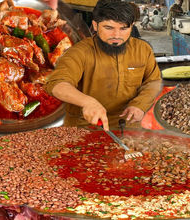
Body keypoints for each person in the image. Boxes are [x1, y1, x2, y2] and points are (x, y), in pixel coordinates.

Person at [45, 0, 162, 131]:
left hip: (129, 128)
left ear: (132, 26)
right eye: (109, 28)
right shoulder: (80, 51)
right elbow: (56, 84)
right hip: (85, 129)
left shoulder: (142, 49)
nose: (117, 35)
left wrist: (140, 105)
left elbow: (153, 81)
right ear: (95, 25)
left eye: (123, 28)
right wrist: (87, 102)